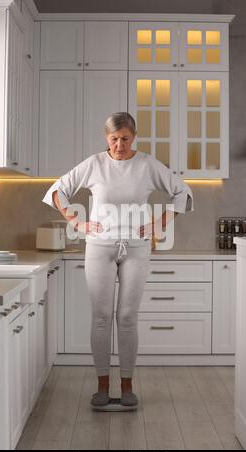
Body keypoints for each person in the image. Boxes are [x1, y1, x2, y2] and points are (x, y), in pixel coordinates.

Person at [42, 112, 194, 407]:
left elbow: (182, 191)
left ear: (133, 137)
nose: (119, 145)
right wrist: (77, 222)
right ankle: (102, 385)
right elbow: (58, 190)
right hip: (99, 246)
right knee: (101, 317)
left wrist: (160, 223)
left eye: (125, 139)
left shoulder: (147, 164)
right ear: (106, 138)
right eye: (114, 139)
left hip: (137, 247)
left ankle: (126, 386)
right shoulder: (94, 164)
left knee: (126, 317)